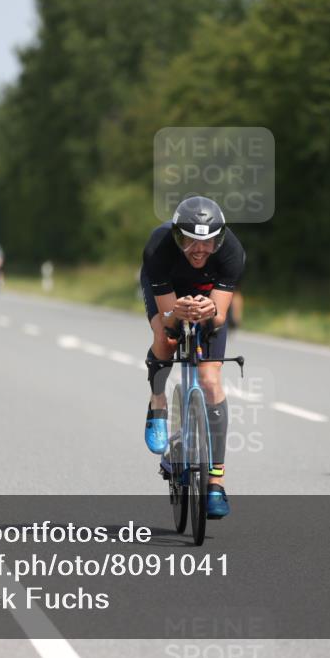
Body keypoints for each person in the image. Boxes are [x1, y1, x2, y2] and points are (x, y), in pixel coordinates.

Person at [140, 196, 245, 519]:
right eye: (190, 242)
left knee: (210, 380)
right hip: (169, 294)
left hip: (208, 297)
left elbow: (219, 317)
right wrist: (176, 313)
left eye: (208, 242)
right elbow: (169, 320)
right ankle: (158, 403)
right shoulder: (159, 248)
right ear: (177, 237)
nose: (199, 249)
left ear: (219, 240)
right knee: (165, 338)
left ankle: (216, 483)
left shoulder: (232, 252)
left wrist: (210, 310)